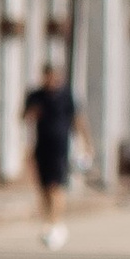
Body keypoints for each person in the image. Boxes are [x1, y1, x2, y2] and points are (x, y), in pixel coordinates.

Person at [23, 59, 86, 244]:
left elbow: (78, 119)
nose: (51, 80)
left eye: (54, 76)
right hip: (41, 146)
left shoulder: (66, 95)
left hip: (60, 147)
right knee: (43, 186)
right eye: (48, 76)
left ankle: (56, 222)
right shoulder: (36, 95)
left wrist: (86, 143)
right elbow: (24, 117)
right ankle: (47, 221)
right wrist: (31, 113)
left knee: (55, 185)